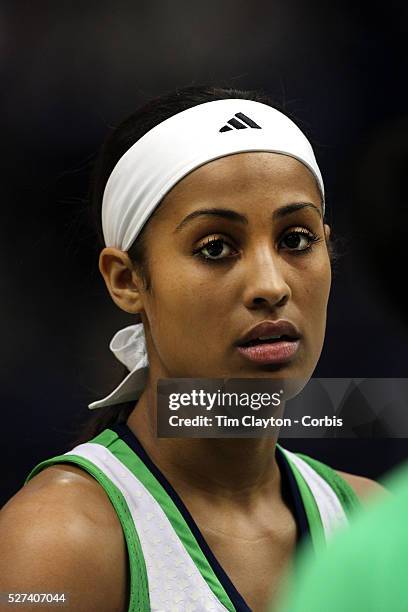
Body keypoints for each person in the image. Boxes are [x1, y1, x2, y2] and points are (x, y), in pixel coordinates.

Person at [0, 86, 384, 612]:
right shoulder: (57, 542)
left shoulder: (369, 522)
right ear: (127, 279)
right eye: (216, 248)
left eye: (295, 239)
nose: (271, 286)